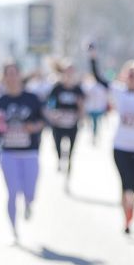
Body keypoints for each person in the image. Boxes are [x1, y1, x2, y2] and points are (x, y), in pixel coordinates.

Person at [89, 46, 134, 234]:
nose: (133, 78)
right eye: (130, 74)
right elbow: (99, 78)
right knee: (125, 184)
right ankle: (126, 219)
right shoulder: (118, 91)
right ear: (125, 76)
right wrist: (93, 57)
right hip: (121, 146)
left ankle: (131, 211)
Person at [0, 63, 46, 243]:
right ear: (4, 78)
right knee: (12, 191)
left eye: (15, 74)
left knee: (29, 191)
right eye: (9, 74)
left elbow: (43, 121)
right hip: (8, 153)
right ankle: (14, 230)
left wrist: (33, 127)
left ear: (20, 76)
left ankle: (29, 203)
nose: (12, 78)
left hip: (30, 153)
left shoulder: (32, 99)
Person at [46, 62, 85, 191]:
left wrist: (81, 114)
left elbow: (82, 105)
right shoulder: (57, 88)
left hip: (72, 123)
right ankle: (59, 159)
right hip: (58, 123)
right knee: (57, 144)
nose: (69, 74)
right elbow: (50, 102)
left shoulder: (78, 89)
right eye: (67, 71)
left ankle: (68, 166)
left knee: (71, 148)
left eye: (71, 71)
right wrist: (53, 114)